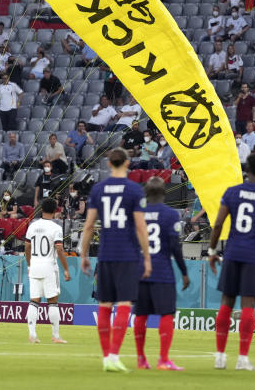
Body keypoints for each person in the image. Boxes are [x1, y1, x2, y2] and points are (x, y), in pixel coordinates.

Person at [80, 148, 152, 373]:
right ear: (128, 163)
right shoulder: (134, 190)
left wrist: (83, 254)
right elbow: (140, 226)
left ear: (109, 164)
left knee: (104, 306)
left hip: (106, 254)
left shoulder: (98, 189)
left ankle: (106, 357)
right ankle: (113, 354)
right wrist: (147, 257)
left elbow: (89, 225)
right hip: (128, 255)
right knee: (123, 305)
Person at [208, 154, 255, 371]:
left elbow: (218, 224)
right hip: (253, 255)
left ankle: (220, 356)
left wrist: (212, 250)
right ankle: (242, 359)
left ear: (246, 169)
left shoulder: (232, 192)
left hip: (232, 252)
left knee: (226, 303)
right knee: (248, 306)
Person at [131, 176, 189, 370]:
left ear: (146, 194)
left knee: (140, 315)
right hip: (162, 271)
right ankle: (163, 359)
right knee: (166, 314)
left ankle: (141, 359)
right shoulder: (171, 215)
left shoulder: (137, 214)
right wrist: (184, 272)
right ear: (164, 193)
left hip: (140, 270)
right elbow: (174, 245)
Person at [25, 198, 71, 344]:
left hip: (34, 266)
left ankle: (32, 334)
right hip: (49, 267)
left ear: (41, 209)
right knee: (52, 301)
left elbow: (27, 247)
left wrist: (29, 265)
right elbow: (59, 248)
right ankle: (56, 336)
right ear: (55, 210)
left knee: (34, 300)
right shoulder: (56, 228)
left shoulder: (33, 225)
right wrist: (66, 269)